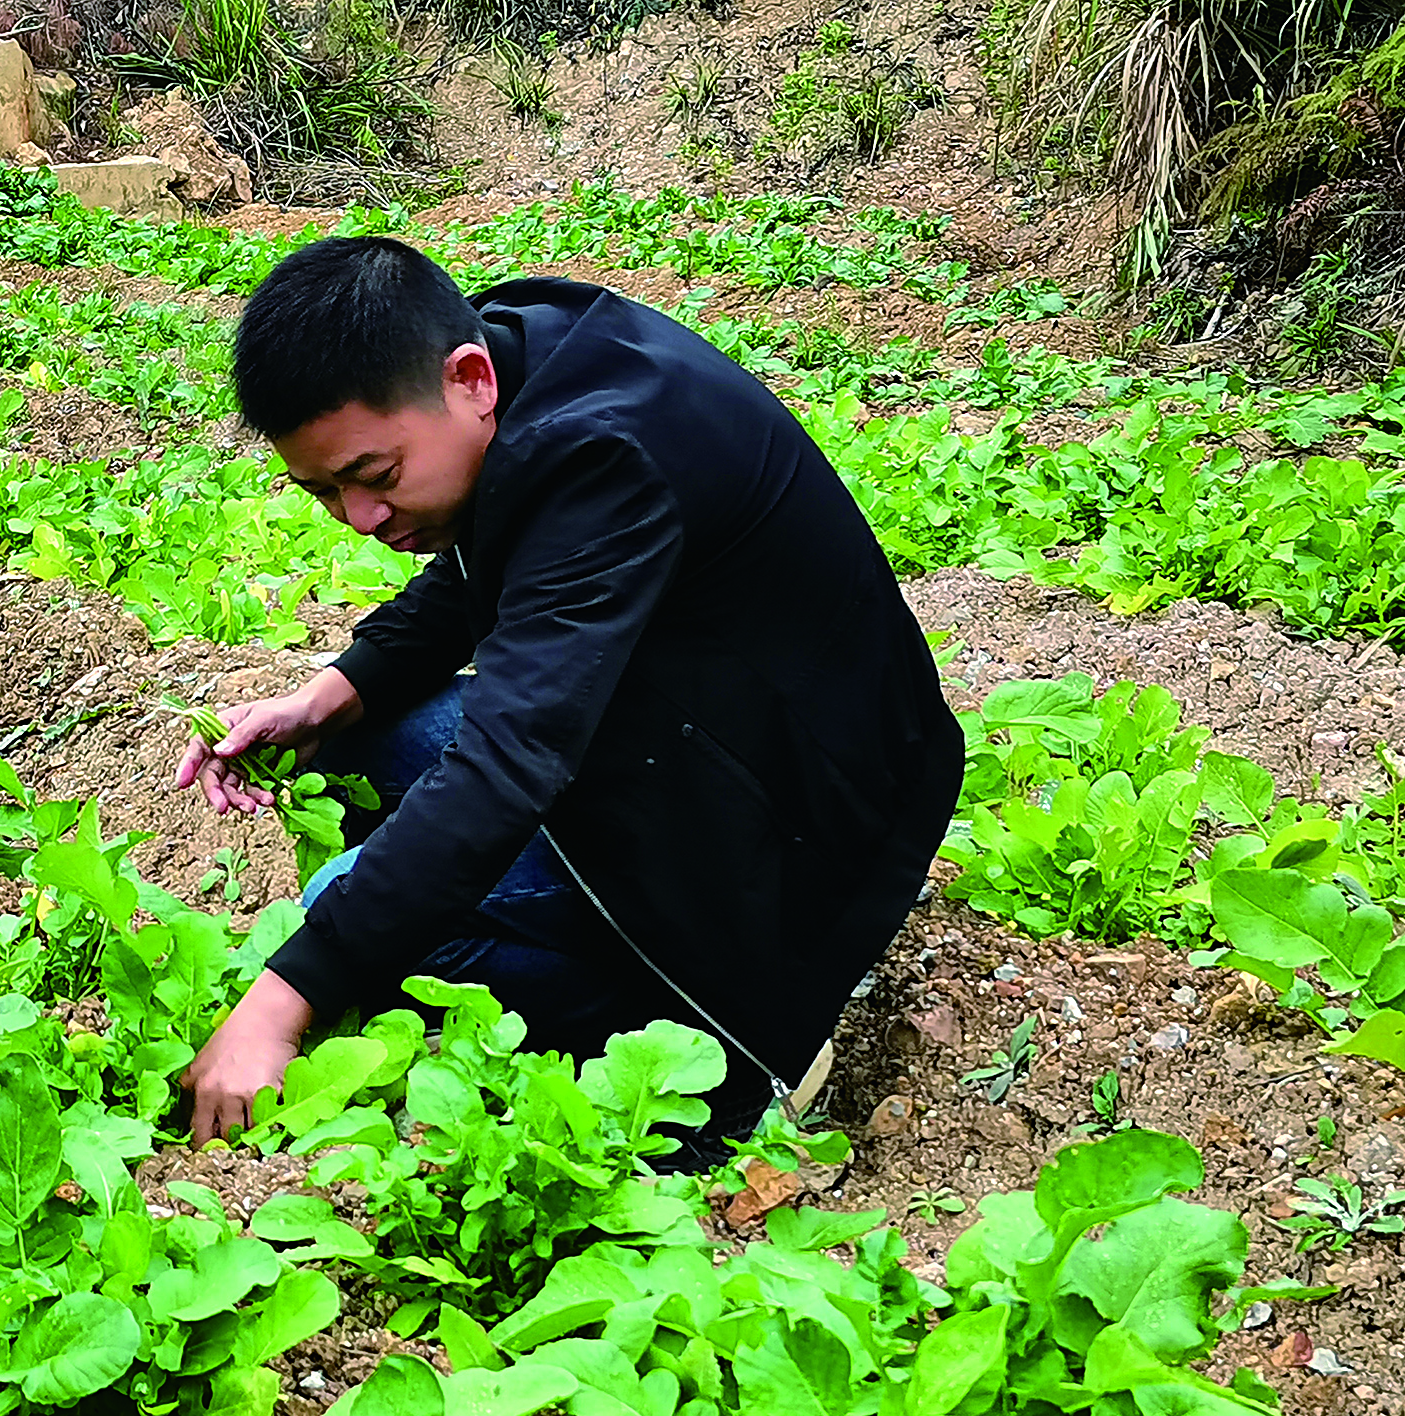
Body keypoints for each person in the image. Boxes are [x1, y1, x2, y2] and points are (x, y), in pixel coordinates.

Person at [172, 235, 960, 1150]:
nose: (363, 519)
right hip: (692, 721)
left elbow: (506, 765)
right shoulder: (513, 358)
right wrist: (329, 695)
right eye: (324, 494)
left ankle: (733, 1045)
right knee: (350, 748)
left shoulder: (602, 450)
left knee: (347, 914)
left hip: (798, 817)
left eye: (376, 477)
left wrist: (282, 1001)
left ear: (469, 380)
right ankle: (572, 944)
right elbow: (489, 565)